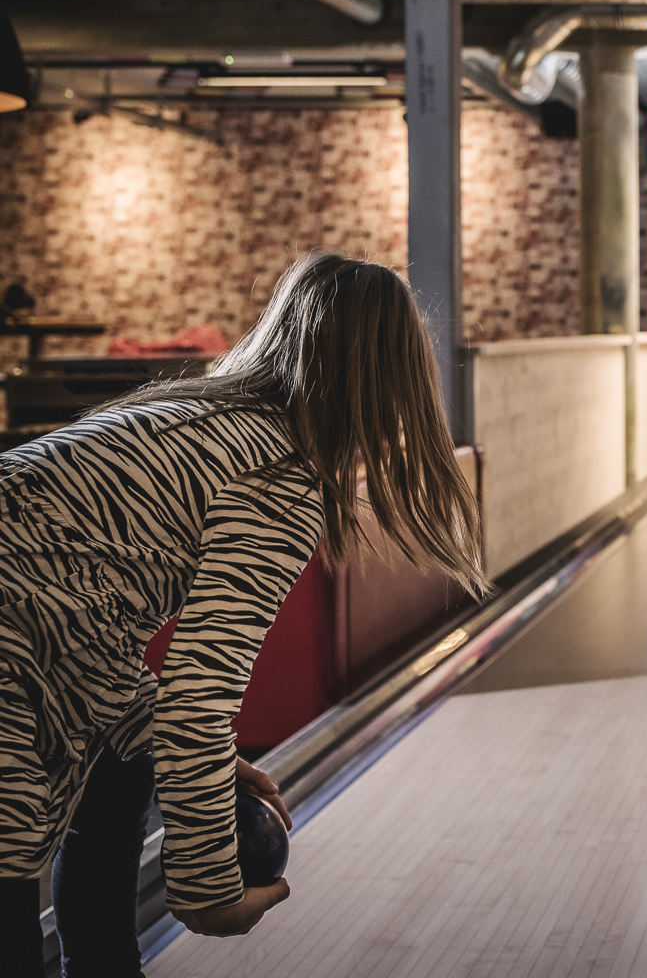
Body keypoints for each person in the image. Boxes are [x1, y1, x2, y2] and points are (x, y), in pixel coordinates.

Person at [1, 252, 487, 974]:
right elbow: (197, 701)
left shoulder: (188, 415)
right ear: (394, 379)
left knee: (126, 759)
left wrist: (203, 756)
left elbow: (80, 629)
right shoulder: (279, 477)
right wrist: (208, 895)